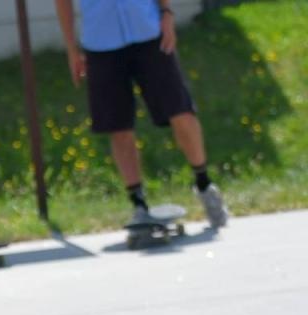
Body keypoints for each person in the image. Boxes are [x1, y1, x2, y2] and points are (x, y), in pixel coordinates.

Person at [54, 0, 227, 229]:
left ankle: (204, 184)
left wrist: (166, 13)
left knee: (181, 112)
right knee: (119, 127)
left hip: (148, 32)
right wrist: (71, 48)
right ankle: (138, 204)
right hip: (101, 42)